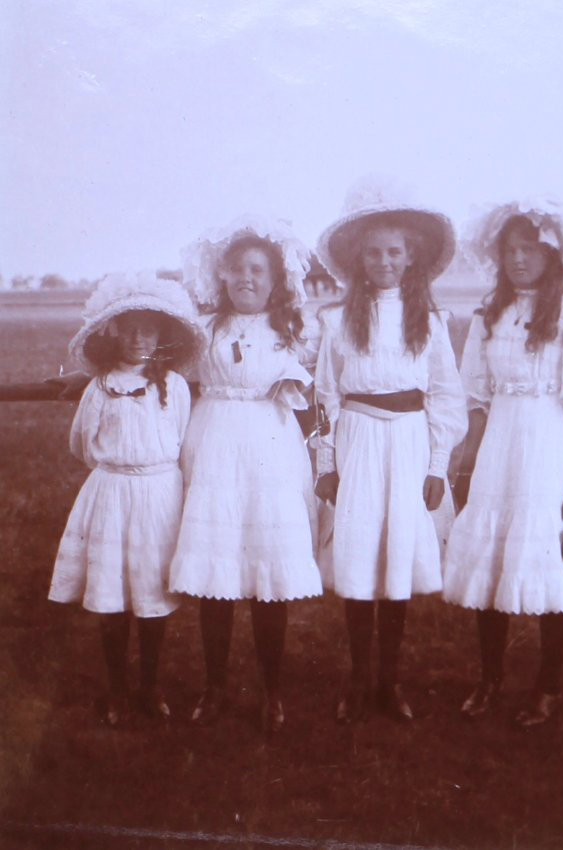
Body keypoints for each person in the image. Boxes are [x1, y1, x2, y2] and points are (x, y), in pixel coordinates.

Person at [442, 199, 563, 726]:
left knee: (549, 559)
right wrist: (468, 460)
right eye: (510, 250)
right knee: (493, 557)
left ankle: (547, 687)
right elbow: (477, 395)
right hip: (501, 446)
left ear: (552, 255)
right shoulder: (489, 317)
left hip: (552, 447)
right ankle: (490, 679)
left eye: (529, 249)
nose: (518, 259)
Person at [314, 178, 467, 723]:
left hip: (408, 443)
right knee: (359, 557)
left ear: (410, 258)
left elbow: (447, 395)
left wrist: (436, 466)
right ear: (360, 257)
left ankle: (389, 681)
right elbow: (325, 394)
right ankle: (357, 680)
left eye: (394, 252)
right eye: (374, 252)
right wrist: (327, 464)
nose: (383, 261)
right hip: (357, 439)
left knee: (398, 555)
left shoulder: (428, 318)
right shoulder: (335, 320)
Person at [169, 216, 322, 733]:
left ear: (276, 278)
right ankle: (214, 687)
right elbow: (171, 380)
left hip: (270, 449)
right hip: (214, 447)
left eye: (256, 270)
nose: (245, 279)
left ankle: (272, 689)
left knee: (266, 571)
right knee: (218, 570)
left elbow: (313, 394)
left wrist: (296, 387)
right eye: (236, 269)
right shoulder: (204, 329)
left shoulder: (293, 330)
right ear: (222, 276)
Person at [48, 271, 204, 726]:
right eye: (131, 329)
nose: (140, 339)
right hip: (112, 494)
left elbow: (179, 438)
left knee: (152, 592)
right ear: (114, 333)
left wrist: (154, 475)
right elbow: (81, 444)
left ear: (162, 336)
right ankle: (116, 687)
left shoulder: (173, 387)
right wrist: (117, 470)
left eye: (149, 330)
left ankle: (149, 685)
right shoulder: (99, 388)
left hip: (159, 496)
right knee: (112, 590)